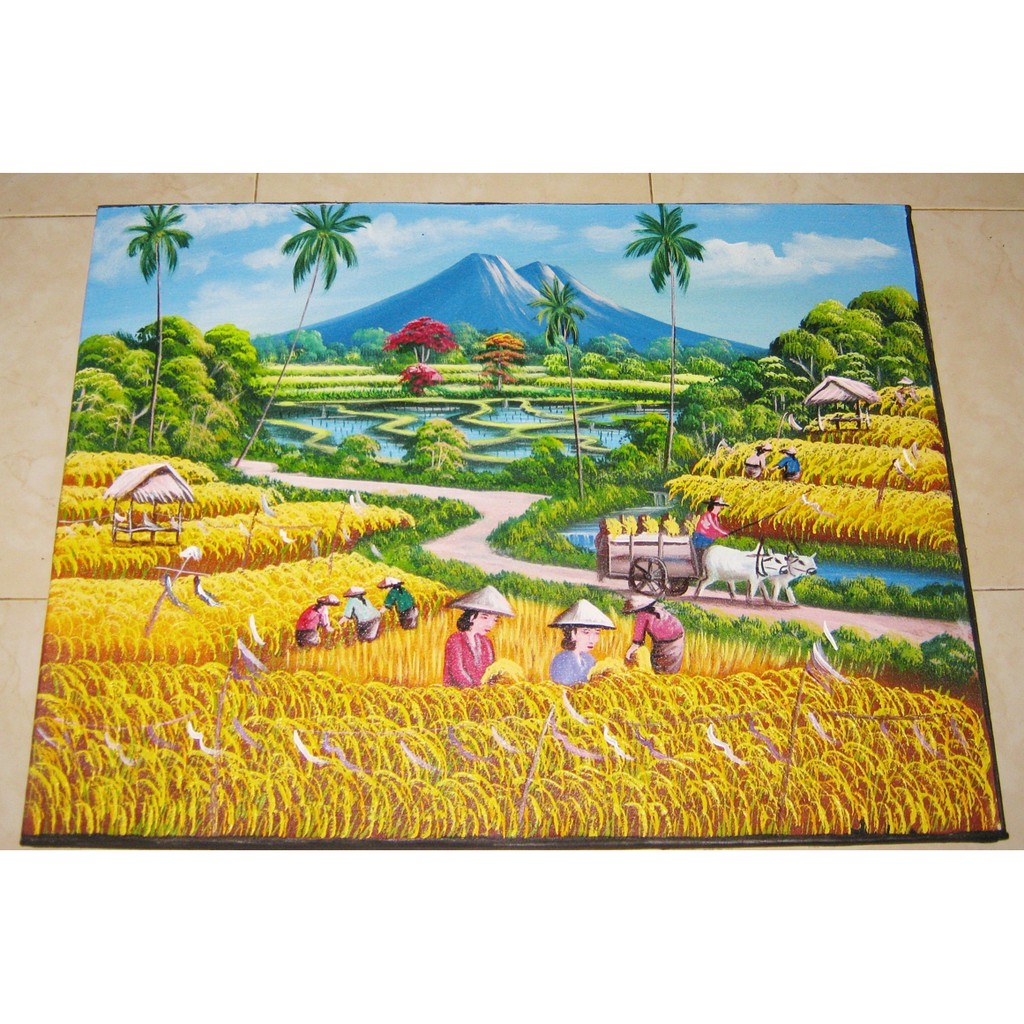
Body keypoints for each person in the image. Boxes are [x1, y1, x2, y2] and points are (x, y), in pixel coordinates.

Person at [442, 585, 514, 688]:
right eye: (484, 617)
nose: (490, 624)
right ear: (471, 617)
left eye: (495, 620)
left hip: (482, 694)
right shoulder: (456, 640)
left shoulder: (487, 643)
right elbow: (457, 672)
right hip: (457, 694)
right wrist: (476, 690)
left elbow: (490, 672)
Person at [548, 599, 615, 686]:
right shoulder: (562, 660)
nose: (592, 639)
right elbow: (563, 688)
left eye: (597, 633)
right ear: (572, 633)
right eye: (586, 632)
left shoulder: (589, 659)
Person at [623, 594, 686, 675]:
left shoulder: (641, 616)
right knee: (672, 663)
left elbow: (637, 642)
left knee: (658, 665)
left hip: (664, 640)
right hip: (678, 635)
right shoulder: (658, 609)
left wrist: (628, 654)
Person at [691, 495, 731, 579]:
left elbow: (717, 529)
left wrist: (724, 533)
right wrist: (724, 533)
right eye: (719, 506)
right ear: (714, 506)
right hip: (701, 540)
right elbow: (714, 528)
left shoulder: (715, 517)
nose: (721, 508)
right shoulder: (708, 515)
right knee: (702, 556)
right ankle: (701, 572)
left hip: (709, 539)